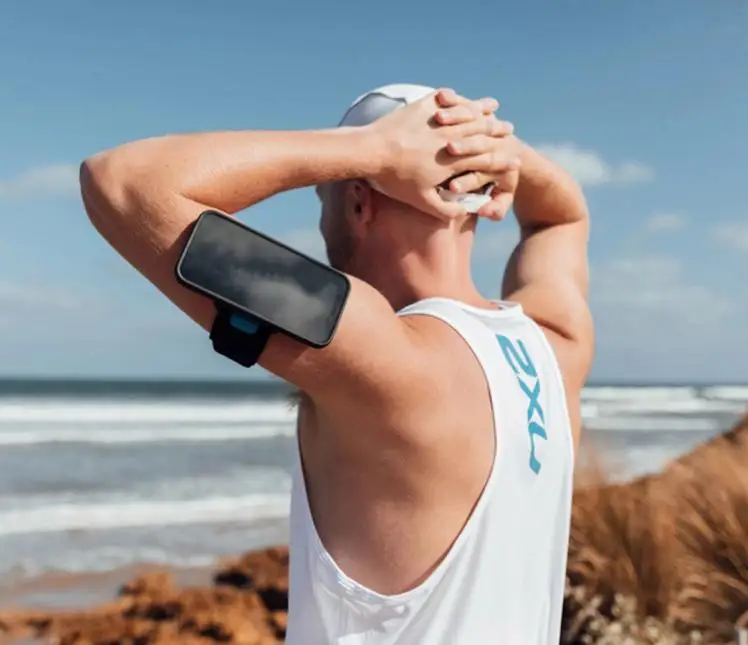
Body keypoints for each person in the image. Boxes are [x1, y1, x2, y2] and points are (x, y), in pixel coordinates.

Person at [79, 83, 593, 644]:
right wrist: (497, 151)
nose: (322, 228)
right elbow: (561, 218)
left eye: (323, 201)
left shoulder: (384, 356)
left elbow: (123, 182)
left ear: (358, 201)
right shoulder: (555, 344)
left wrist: (372, 151)